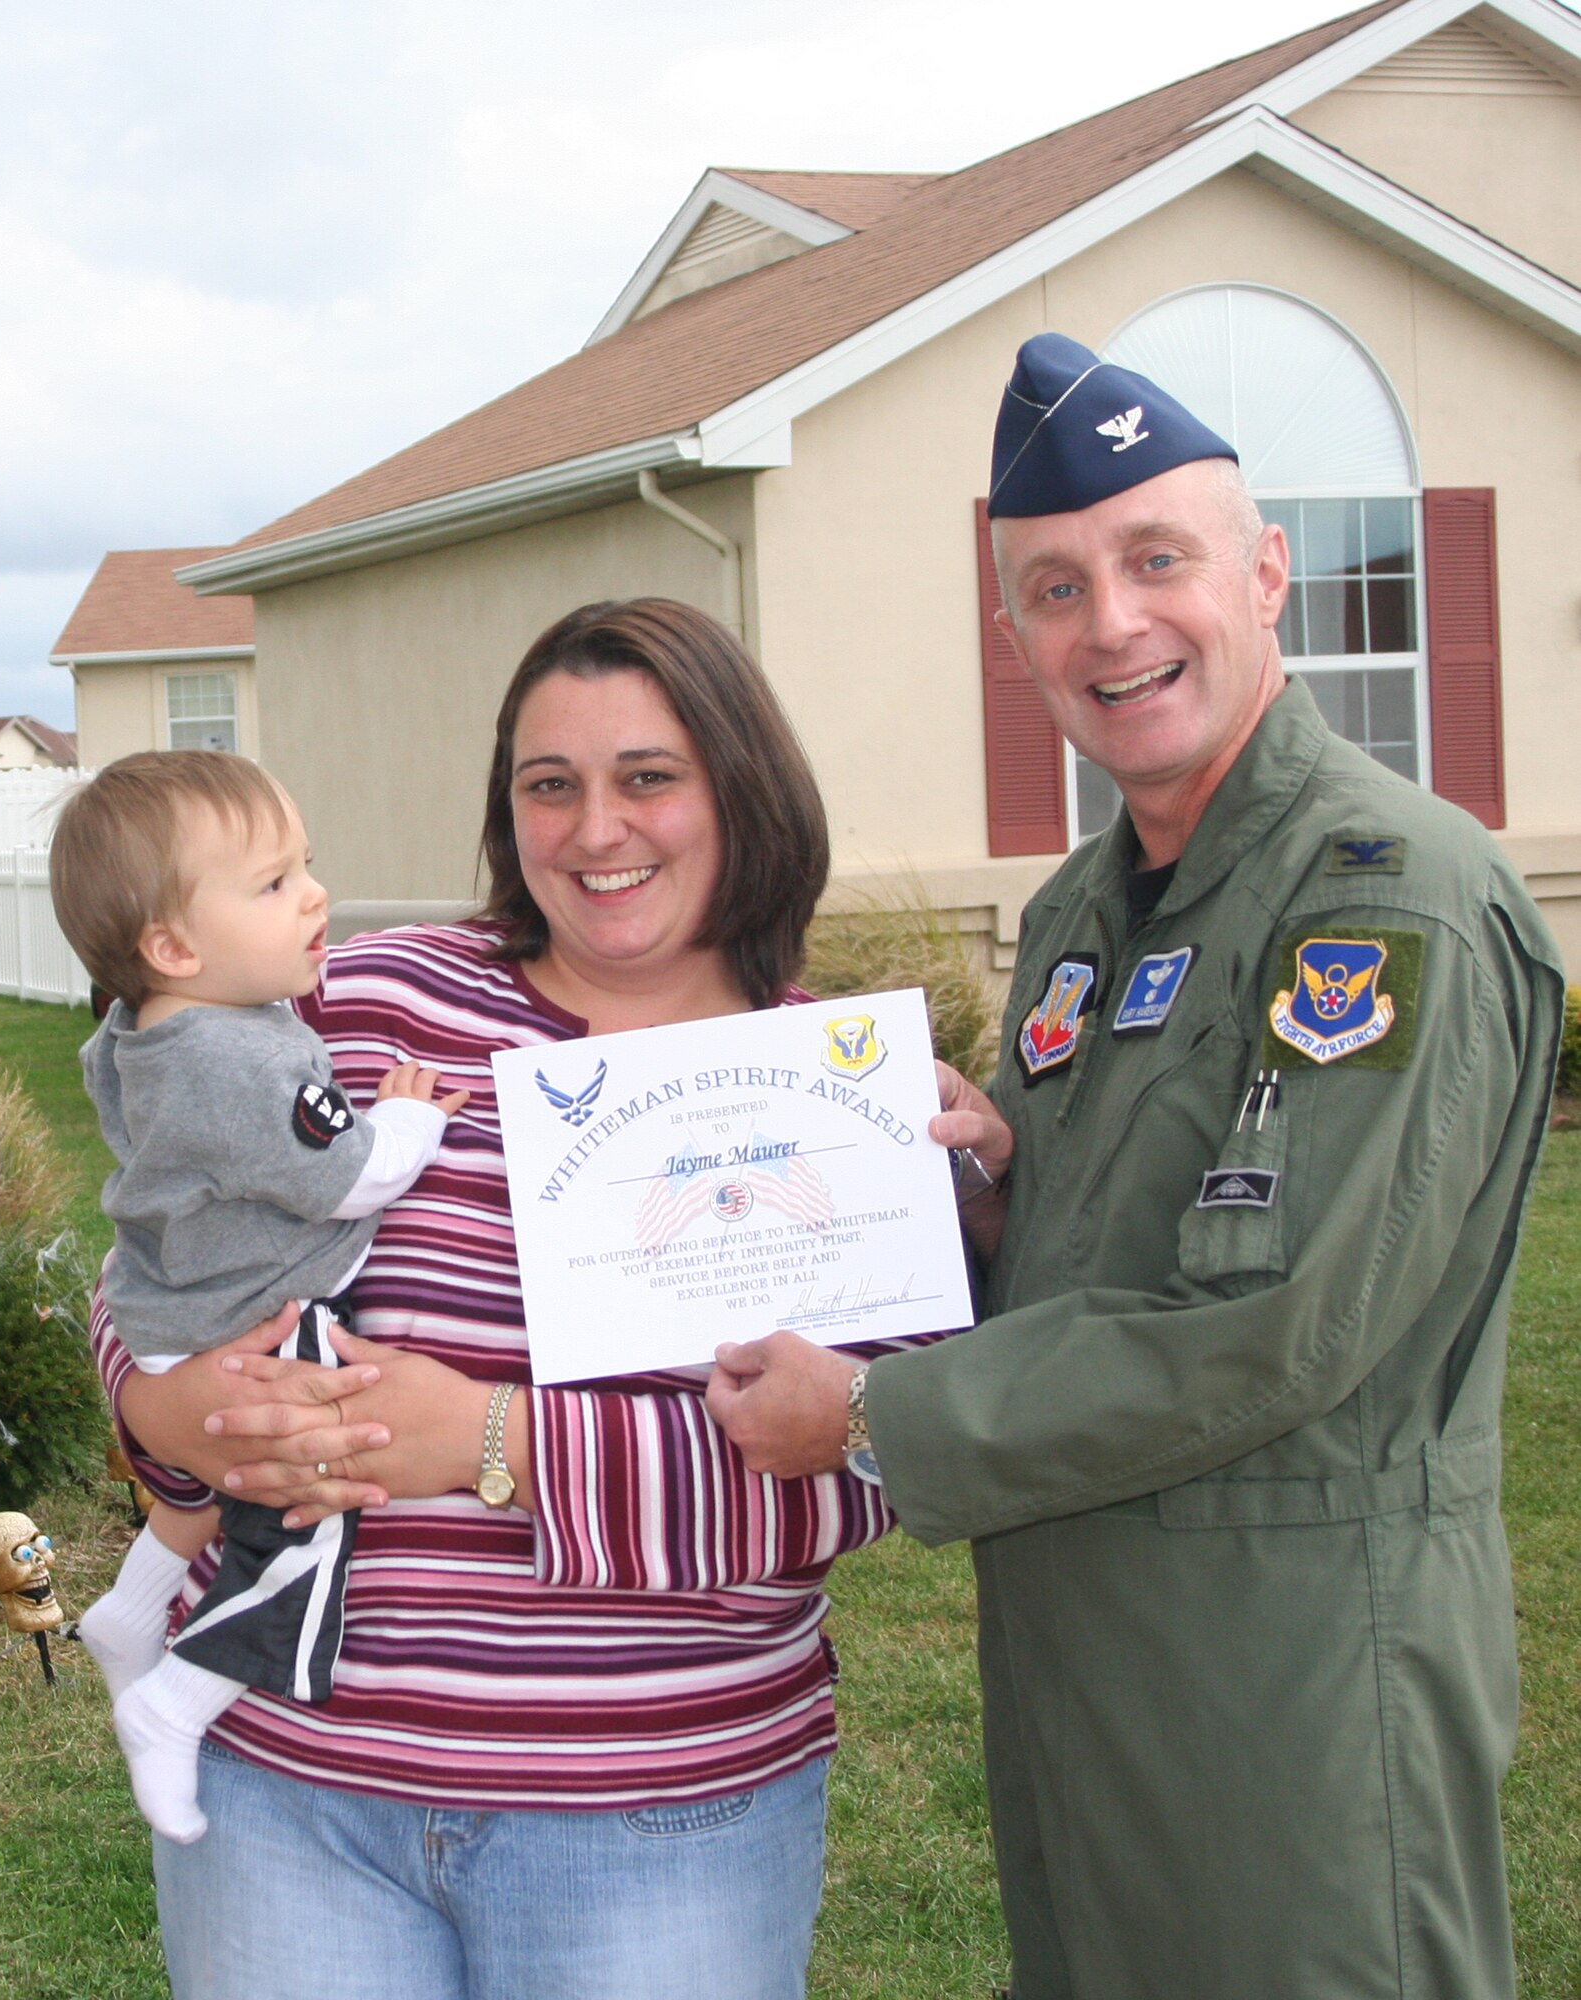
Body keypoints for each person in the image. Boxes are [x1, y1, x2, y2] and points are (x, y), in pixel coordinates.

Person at [707, 334, 1565, 2000]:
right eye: (1051, 588)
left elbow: (1273, 1325)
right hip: (1083, 1665)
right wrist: (969, 1200)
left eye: (1154, 562)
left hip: (1294, 1674)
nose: (1109, 623)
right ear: (1014, 635)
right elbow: (1112, 1249)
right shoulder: (1084, 914)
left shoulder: (1381, 900)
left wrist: (877, 1420)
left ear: (1262, 576)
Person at [85, 599, 945, 2000]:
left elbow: (868, 1461)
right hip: (286, 1792)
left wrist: (487, 1439)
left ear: (745, 792)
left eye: (647, 778)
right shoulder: (367, 1004)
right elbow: (160, 1238)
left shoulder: (827, 1089)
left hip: (657, 1814)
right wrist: (166, 1404)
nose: (596, 830)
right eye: (551, 786)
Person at [50, 751, 466, 1845]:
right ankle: (175, 1702)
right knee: (300, 1512)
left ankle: (131, 1610)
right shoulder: (241, 1060)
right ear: (177, 948)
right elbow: (357, 1172)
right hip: (253, 1309)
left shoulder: (142, 1030)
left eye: (306, 867)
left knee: (206, 1491)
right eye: (275, 884)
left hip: (174, 1306)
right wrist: (407, 1116)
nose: (314, 895)